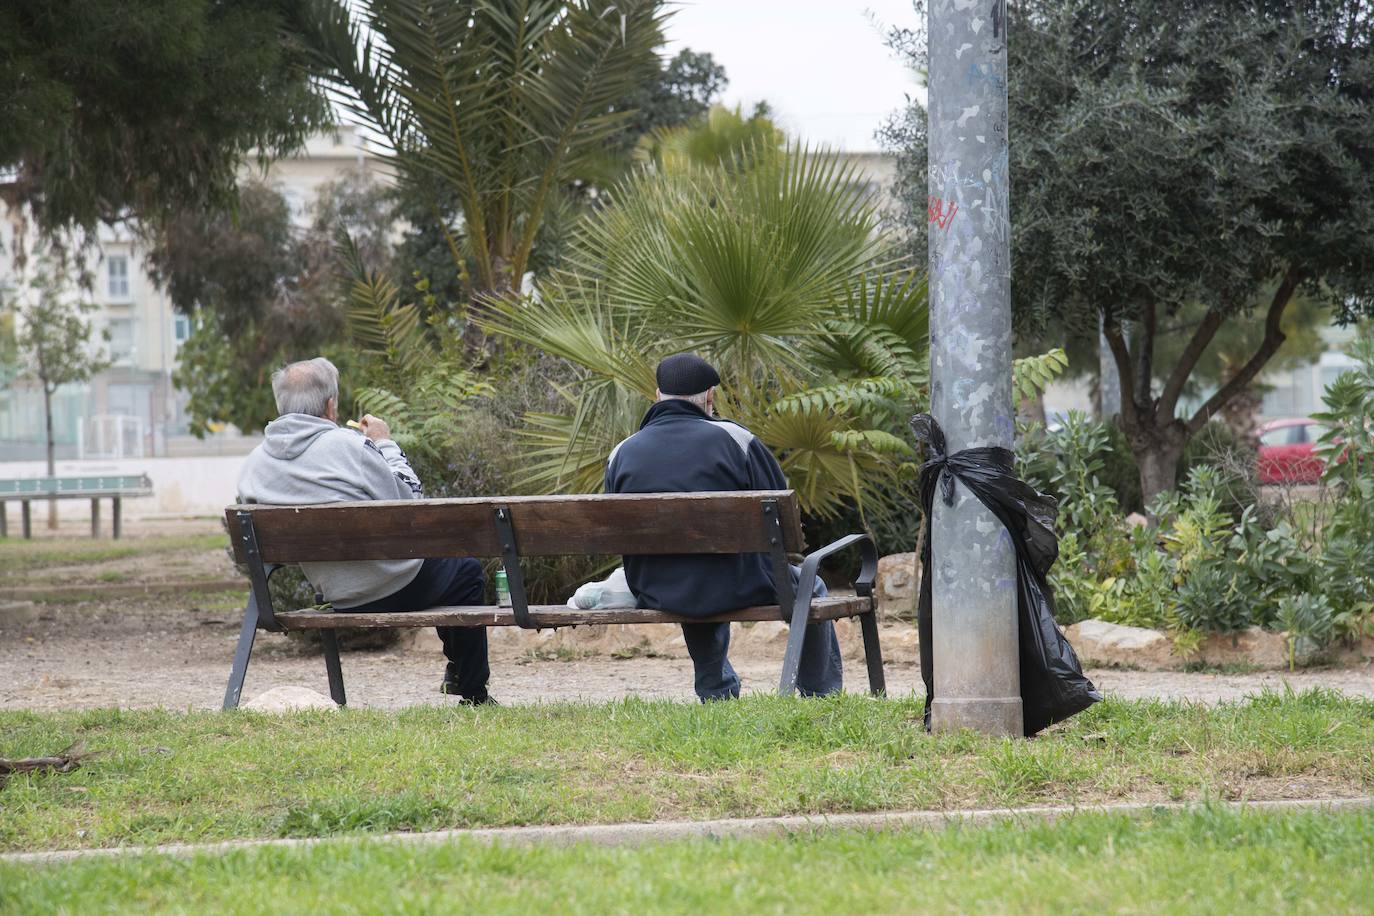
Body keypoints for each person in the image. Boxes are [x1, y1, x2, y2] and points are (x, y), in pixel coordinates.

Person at [236, 357, 494, 704]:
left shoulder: (254, 464)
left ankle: (462, 676)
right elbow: (411, 504)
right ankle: (471, 688)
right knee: (467, 572)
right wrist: (385, 444)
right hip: (397, 585)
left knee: (456, 569)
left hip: (337, 596)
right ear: (330, 406)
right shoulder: (349, 447)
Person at [605, 352, 843, 701]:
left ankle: (716, 690)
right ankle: (819, 693)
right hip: (740, 582)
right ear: (710, 397)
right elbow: (779, 513)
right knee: (811, 585)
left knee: (687, 570)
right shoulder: (736, 439)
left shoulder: (622, 451)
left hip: (656, 585)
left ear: (657, 395)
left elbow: (615, 527)